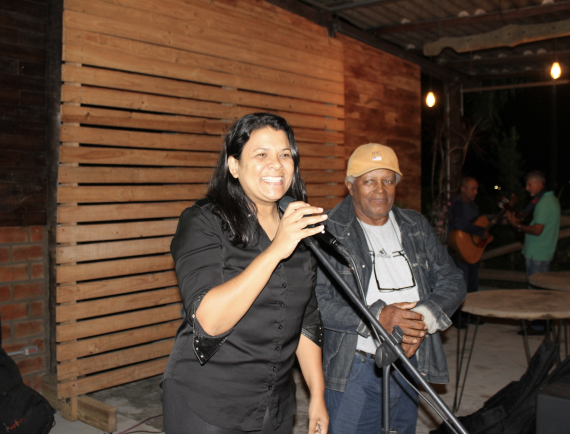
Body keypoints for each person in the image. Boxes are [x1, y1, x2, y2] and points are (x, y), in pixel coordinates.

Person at [162, 113, 329, 434]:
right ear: (234, 166)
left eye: (285, 155)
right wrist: (276, 250)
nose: (276, 164)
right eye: (261, 154)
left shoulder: (299, 228)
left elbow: (306, 321)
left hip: (275, 406)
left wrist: (317, 395)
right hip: (208, 402)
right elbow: (209, 322)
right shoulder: (202, 222)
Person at [315, 143, 466, 434]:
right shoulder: (327, 231)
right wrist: (376, 317)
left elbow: (453, 279)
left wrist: (423, 318)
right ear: (350, 186)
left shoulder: (415, 225)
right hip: (355, 368)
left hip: (409, 362)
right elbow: (316, 301)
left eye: (388, 180)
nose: (380, 190)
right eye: (369, 181)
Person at [505, 170, 560, 334]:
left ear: (538, 183)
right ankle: (545, 323)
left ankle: (538, 326)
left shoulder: (544, 203)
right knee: (542, 291)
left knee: (536, 292)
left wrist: (517, 226)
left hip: (537, 253)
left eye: (529, 184)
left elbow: (537, 230)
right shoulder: (551, 199)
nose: (527, 188)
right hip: (543, 251)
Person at [447, 176, 489, 328]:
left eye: (476, 189)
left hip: (469, 250)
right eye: (473, 189)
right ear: (463, 189)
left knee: (472, 284)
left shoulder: (471, 205)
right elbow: (460, 224)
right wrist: (480, 231)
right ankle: (457, 318)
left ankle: (469, 314)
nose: (476, 192)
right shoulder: (458, 204)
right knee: (462, 284)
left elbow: (473, 223)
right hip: (460, 250)